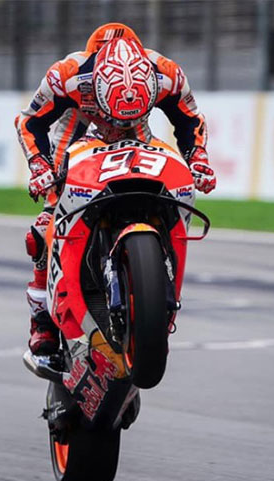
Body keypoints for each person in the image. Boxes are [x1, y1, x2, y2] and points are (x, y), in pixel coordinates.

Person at [14, 23, 216, 355]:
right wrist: (39, 165)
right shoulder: (66, 76)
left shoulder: (167, 74)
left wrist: (199, 159)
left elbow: (190, 118)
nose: (118, 124)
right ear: (95, 86)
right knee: (42, 231)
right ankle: (42, 321)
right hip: (79, 138)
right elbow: (29, 121)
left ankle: (159, 281)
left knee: (172, 194)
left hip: (141, 140)